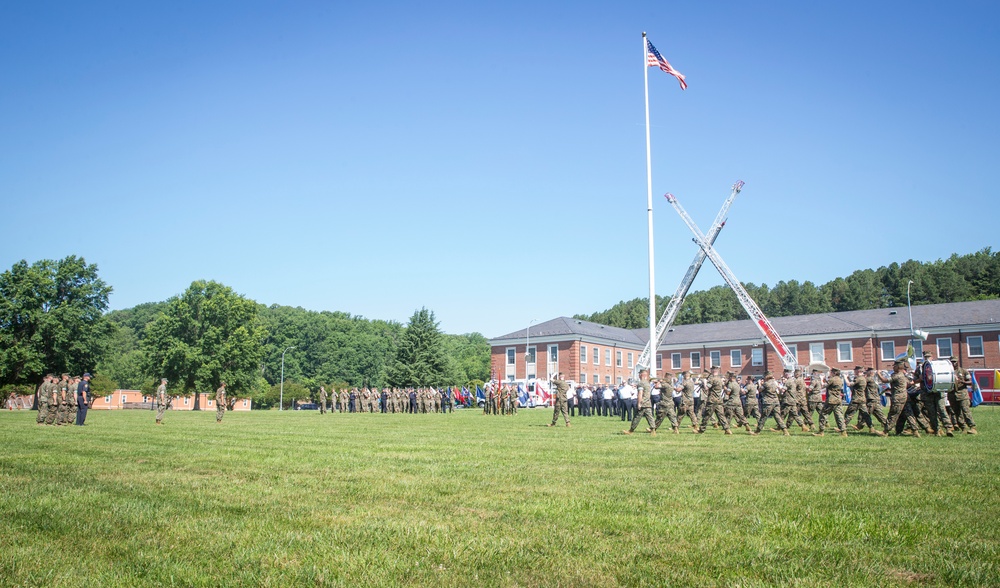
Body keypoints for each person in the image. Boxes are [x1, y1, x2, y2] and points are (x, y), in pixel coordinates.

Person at [883, 360, 922, 437]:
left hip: (898, 398)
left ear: (898, 367)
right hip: (905, 397)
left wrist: (878, 374)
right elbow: (910, 383)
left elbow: (884, 380)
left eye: (894, 366)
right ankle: (915, 431)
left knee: (893, 414)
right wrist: (919, 379)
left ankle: (885, 431)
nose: (893, 367)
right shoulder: (904, 376)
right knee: (909, 414)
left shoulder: (896, 375)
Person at [752, 371, 789, 436]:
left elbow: (759, 390)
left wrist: (760, 384)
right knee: (778, 416)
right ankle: (785, 430)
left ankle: (757, 431)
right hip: (776, 401)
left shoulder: (766, 384)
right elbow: (779, 390)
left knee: (763, 417)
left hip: (768, 402)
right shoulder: (775, 383)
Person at [814, 368, 847, 437]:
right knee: (839, 416)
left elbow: (823, 386)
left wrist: (822, 379)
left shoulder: (832, 379)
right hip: (838, 400)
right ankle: (843, 432)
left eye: (831, 372)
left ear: (834, 373)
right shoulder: (839, 379)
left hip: (831, 400)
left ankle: (821, 432)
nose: (830, 373)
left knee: (823, 415)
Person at [948, 357, 977, 434]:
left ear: (957, 362)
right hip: (952, 395)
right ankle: (963, 427)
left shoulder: (963, 371)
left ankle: (972, 427)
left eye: (954, 362)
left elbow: (970, 382)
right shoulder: (948, 372)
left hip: (962, 395)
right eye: (951, 362)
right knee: (956, 412)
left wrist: (962, 381)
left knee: (965, 411)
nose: (953, 363)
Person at [623, 369, 655, 435]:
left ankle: (631, 431)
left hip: (643, 403)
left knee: (636, 417)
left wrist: (639, 403)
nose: (638, 375)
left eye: (639, 374)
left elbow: (640, 393)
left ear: (641, 375)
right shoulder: (647, 383)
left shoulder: (641, 383)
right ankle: (653, 430)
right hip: (648, 403)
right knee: (650, 417)